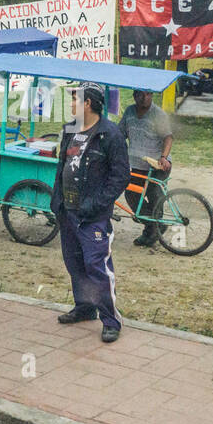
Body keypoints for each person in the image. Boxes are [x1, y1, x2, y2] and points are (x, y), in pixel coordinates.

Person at [51, 83, 131, 343]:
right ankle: (85, 308)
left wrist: (97, 204)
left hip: (92, 216)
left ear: (88, 104)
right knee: (74, 264)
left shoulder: (110, 134)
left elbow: (120, 177)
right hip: (68, 212)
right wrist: (57, 201)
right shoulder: (70, 129)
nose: (71, 105)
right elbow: (62, 167)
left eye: (75, 100)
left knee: (97, 267)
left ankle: (110, 320)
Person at [119, 88, 173, 247]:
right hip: (136, 164)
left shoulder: (159, 114)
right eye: (141, 94)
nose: (145, 98)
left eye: (148, 94)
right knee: (131, 194)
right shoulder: (129, 112)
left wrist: (163, 157)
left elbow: (168, 138)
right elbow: (120, 133)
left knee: (155, 195)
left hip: (157, 164)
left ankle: (152, 229)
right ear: (134, 96)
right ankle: (154, 226)